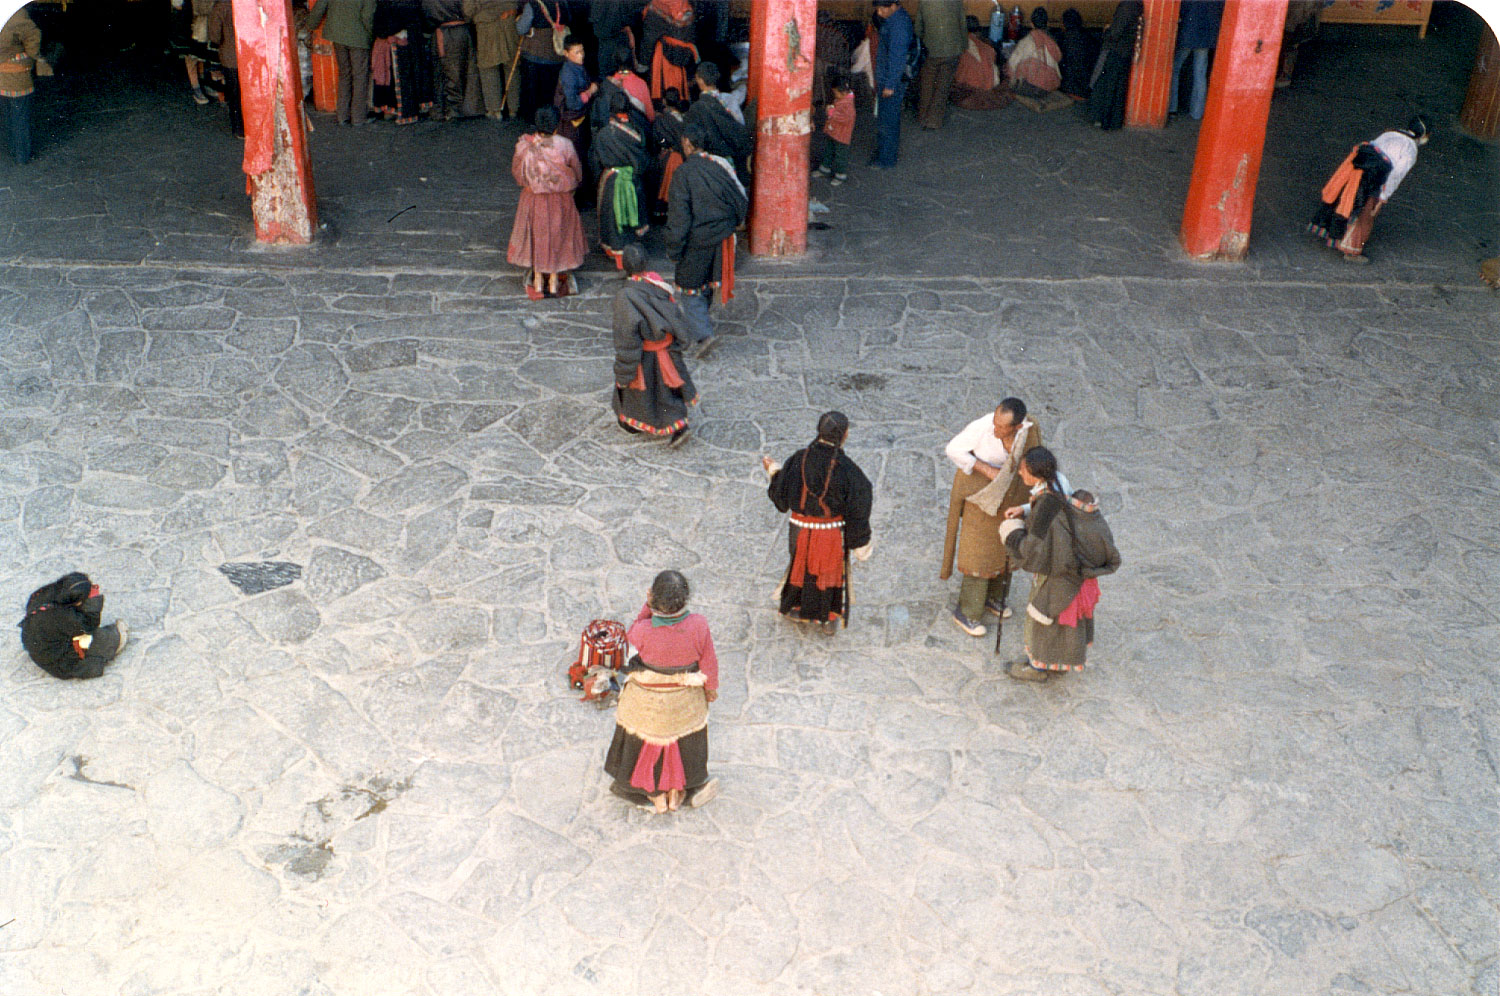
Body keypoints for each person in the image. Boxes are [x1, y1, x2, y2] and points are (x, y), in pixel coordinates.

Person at [999, 454, 1121, 683]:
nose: (1020, 473)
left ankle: (1037, 667)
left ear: (1036, 475)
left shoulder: (1047, 508)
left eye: (1024, 470)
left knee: (1042, 623)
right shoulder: (1059, 484)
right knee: (1067, 625)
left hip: (1057, 577)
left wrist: (1011, 534)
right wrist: (1026, 509)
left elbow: (1033, 552)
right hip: (1077, 576)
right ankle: (1060, 662)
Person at [605, 570, 720, 813]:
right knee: (682, 734)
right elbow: (709, 663)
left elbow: (628, 652)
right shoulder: (699, 624)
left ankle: (655, 793)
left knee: (648, 734)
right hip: (684, 704)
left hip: (647, 705)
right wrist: (710, 690)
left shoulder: (642, 630)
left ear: (652, 597)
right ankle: (677, 791)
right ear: (686, 598)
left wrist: (646, 607)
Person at [763, 412, 875, 635]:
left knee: (800, 566)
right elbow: (859, 504)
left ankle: (794, 606)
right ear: (844, 435)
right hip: (830, 535)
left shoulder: (799, 458)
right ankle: (826, 616)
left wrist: (773, 470)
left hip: (799, 530)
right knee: (826, 574)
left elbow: (782, 496)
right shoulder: (848, 470)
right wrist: (860, 542)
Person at [941, 398, 1041, 638]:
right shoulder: (982, 427)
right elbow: (953, 449)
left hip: (1010, 495)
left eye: (1001, 427)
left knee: (1005, 546)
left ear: (1017, 427)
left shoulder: (1028, 432)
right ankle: (967, 611)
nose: (995, 430)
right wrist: (985, 469)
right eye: (995, 423)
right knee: (979, 553)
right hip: (982, 494)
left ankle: (994, 598)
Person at [664, 122, 748, 355]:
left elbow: (679, 218)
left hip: (697, 240)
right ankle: (701, 322)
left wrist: (674, 249)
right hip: (723, 237)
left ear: (688, 144)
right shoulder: (720, 165)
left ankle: (703, 336)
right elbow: (740, 197)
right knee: (709, 282)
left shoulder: (683, 173)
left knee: (689, 287)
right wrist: (733, 224)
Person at [1309, 116, 1429, 264]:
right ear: (1424, 135)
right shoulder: (1410, 149)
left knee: (1344, 203)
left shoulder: (1390, 133)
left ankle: (1331, 234)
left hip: (1356, 171)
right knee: (1365, 217)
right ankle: (1351, 251)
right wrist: (1383, 197)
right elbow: (1396, 175)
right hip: (1373, 180)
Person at [612, 245, 697, 445]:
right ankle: (672, 423)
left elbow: (627, 337)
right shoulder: (658, 285)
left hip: (646, 356)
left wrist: (624, 369)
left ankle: (674, 425)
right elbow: (676, 316)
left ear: (625, 267)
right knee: (667, 388)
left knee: (645, 392)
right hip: (667, 348)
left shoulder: (626, 296)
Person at [507, 106, 587, 299]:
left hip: (533, 199)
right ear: (556, 124)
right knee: (560, 236)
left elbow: (518, 175)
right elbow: (577, 171)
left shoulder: (524, 146)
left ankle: (538, 276)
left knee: (538, 237)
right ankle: (556, 276)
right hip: (561, 199)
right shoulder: (565, 145)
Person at [20, 573, 130, 681]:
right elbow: (90, 625)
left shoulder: (44, 593)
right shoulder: (64, 617)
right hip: (58, 661)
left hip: (39, 644)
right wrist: (94, 601)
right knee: (105, 639)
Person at [595, 91, 652, 266]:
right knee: (631, 214)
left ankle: (616, 254)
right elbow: (644, 157)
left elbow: (595, 160)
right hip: (633, 180)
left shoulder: (603, 134)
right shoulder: (638, 132)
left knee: (612, 218)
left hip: (611, 180)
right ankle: (631, 255)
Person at [308, 0, 376, 125]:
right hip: (359, 38)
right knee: (360, 77)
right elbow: (368, 16)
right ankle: (358, 117)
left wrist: (311, 25)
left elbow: (320, 7)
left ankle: (342, 116)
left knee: (344, 74)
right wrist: (373, 36)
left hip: (338, 37)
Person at [684, 61, 751, 184]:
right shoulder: (729, 100)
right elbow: (740, 132)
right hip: (730, 165)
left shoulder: (696, 109)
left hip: (708, 168)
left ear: (699, 80)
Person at [372, 0, 434, 124]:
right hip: (411, 41)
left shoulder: (384, 3)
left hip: (392, 42)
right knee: (408, 77)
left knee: (393, 78)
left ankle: (391, 110)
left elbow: (378, 25)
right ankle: (409, 110)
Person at [0, 7, 49, 164]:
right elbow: (33, 37)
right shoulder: (16, 13)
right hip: (16, 76)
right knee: (20, 116)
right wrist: (35, 57)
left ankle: (13, 150)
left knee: (7, 115)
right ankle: (22, 156)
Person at [870, 0, 912, 170]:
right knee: (886, 118)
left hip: (890, 81)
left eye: (882, 8)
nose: (879, 13)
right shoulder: (894, 19)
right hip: (886, 78)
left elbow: (897, 58)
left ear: (894, 5)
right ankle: (883, 153)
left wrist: (890, 85)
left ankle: (886, 159)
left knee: (888, 121)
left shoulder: (898, 26)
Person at [1088, 0, 1140, 130]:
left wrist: (1106, 31)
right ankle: (1114, 122)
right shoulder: (1137, 5)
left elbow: (1116, 32)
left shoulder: (1126, 6)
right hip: (1126, 51)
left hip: (1115, 50)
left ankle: (1104, 120)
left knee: (1106, 86)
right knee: (1118, 88)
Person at [913, 0, 964, 131]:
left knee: (927, 84)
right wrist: (963, 46)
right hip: (952, 49)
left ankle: (923, 117)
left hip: (931, 49)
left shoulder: (924, 2)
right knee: (942, 86)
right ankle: (934, 121)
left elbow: (919, 27)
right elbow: (962, 23)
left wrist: (919, 45)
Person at [466, 0, 521, 119]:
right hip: (509, 23)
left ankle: (494, 110)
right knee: (512, 67)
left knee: (488, 69)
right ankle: (514, 108)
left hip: (486, 27)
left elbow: (467, 10)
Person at [516, 0, 569, 125]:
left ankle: (533, 120)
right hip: (557, 53)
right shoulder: (561, 3)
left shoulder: (532, 5)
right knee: (551, 90)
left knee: (533, 91)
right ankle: (551, 118)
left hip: (535, 54)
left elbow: (521, 28)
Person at [1169, 0, 1221, 121]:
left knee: (1174, 70)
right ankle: (1197, 112)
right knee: (1200, 75)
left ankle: (1172, 108)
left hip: (1187, 35)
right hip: (1206, 38)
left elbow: (1179, 10)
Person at [640, 0, 697, 102]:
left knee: (661, 90)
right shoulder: (686, 8)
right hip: (682, 58)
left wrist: (644, 61)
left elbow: (649, 38)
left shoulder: (656, 6)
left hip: (662, 59)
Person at [1006, 8, 1062, 100]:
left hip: (1031, 88)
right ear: (1047, 23)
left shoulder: (1026, 41)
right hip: (1050, 87)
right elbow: (1058, 58)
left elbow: (1012, 65)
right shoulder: (1052, 42)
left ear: (1031, 24)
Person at [207, 0, 243, 137]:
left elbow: (214, 35)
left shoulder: (221, 6)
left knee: (234, 94)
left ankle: (239, 128)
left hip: (230, 57)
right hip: (250, 54)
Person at [652, 85, 688, 220]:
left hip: (669, 157)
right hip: (683, 157)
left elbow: (658, 139)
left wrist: (663, 145)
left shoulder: (661, 120)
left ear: (664, 101)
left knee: (664, 188)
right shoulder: (685, 118)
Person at [814, 72, 855, 185]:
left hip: (842, 135)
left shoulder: (847, 104)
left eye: (835, 93)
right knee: (829, 151)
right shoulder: (843, 100)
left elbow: (845, 118)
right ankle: (824, 169)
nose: (834, 95)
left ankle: (840, 175)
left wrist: (831, 112)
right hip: (834, 132)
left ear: (842, 92)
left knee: (840, 156)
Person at [1057, 7, 1098, 99]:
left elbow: (1062, 62)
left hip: (1072, 86)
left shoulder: (1067, 38)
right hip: (1087, 84)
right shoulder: (1088, 36)